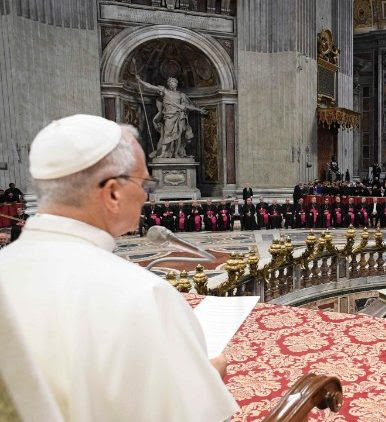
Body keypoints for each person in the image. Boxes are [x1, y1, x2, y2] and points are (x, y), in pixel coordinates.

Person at [0, 115, 238, 420]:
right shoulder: (143, 296)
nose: (146, 195)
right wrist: (209, 379)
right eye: (144, 183)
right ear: (113, 193)